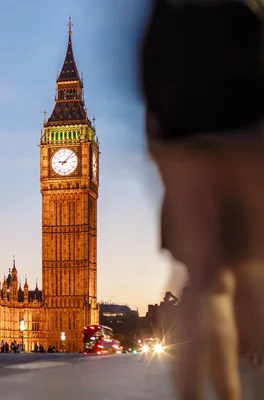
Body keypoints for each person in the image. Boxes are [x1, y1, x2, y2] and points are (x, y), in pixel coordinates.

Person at [140, 1, 264, 399]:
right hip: (245, 124)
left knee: (203, 276)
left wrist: (158, 145)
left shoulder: (168, 13)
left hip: (180, 130)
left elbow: (151, 60)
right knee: (251, 268)